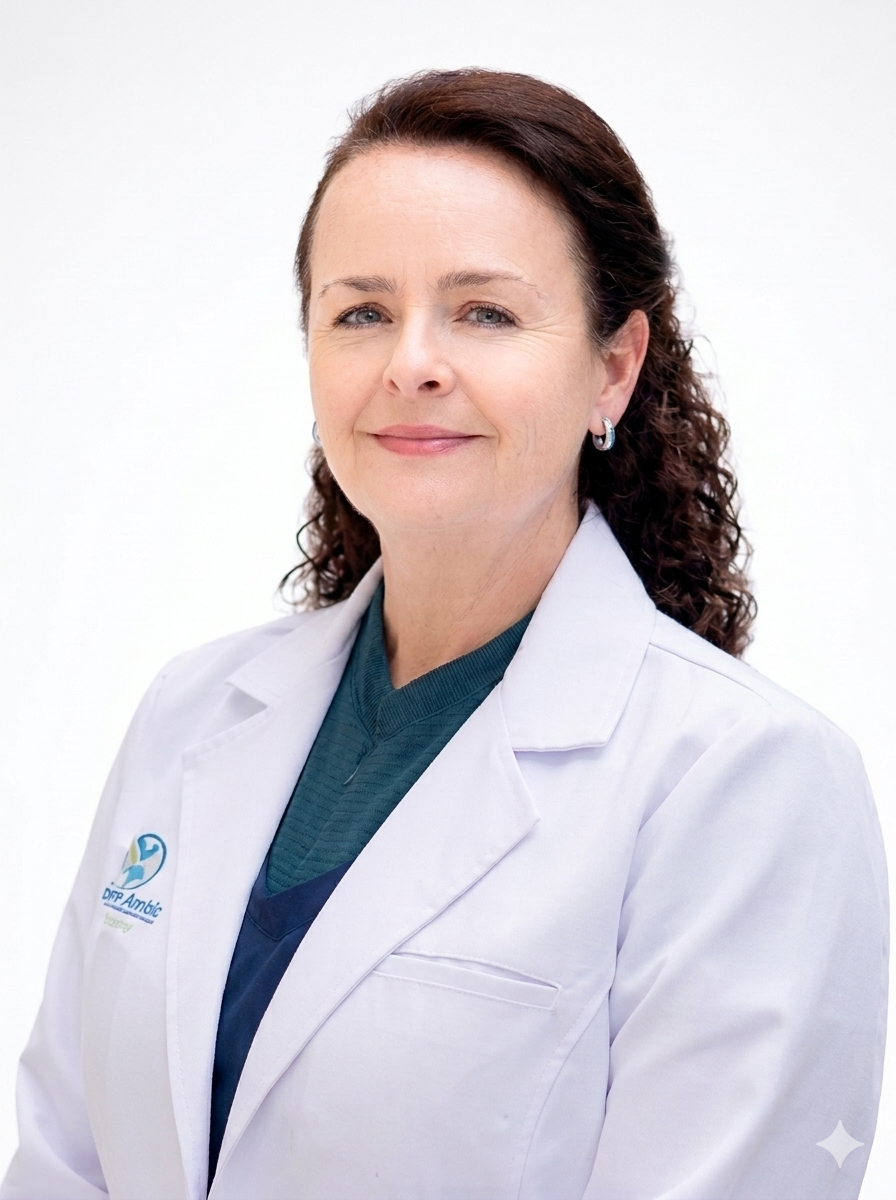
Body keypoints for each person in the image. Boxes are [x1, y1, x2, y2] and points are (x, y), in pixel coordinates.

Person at [1, 68, 888, 1200]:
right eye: (361, 312)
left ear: (613, 367)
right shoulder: (190, 713)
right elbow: (63, 1153)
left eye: (485, 312)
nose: (410, 362)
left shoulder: (745, 782)